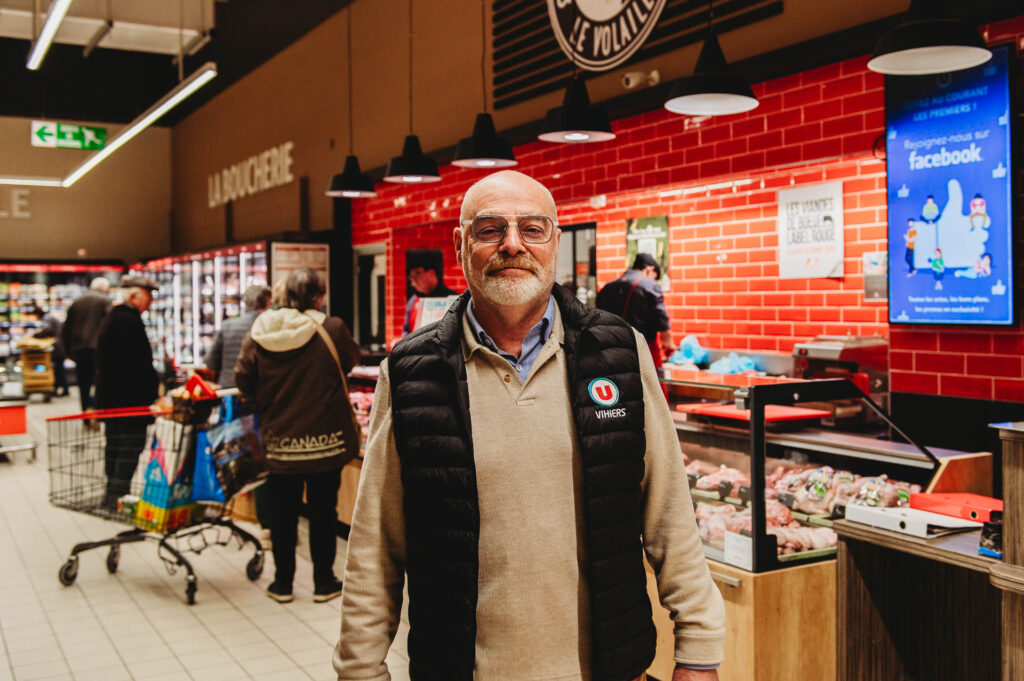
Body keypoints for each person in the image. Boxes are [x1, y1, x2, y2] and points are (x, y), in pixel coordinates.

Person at [334, 171, 724, 681]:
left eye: (532, 229)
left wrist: (698, 650)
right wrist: (360, 670)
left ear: (555, 242)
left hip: (608, 670)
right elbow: (375, 546)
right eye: (490, 228)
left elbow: (669, 512)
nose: (513, 244)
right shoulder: (411, 371)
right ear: (459, 244)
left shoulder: (620, 352)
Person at [235, 267, 360, 604]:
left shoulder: (260, 330)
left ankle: (283, 583)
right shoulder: (331, 328)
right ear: (319, 296)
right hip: (325, 439)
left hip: (278, 442)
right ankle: (323, 582)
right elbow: (350, 361)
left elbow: (243, 379)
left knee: (282, 514)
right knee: (323, 512)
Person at [95, 277, 160, 507]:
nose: (150, 303)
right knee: (129, 446)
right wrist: (153, 392)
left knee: (114, 444)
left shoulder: (113, 318)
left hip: (112, 399)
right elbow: (138, 365)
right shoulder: (128, 322)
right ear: (133, 297)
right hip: (129, 400)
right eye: (148, 298)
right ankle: (117, 495)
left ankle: (112, 494)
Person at [596, 252, 678, 379]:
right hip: (643, 351)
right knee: (650, 390)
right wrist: (668, 343)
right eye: (654, 277)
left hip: (612, 353)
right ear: (649, 269)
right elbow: (661, 318)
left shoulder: (607, 288)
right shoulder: (649, 285)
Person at [204, 285, 272, 388]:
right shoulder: (270, 326)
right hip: (259, 390)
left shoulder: (227, 325)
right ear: (267, 302)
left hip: (229, 390)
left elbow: (211, 363)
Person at [61, 277, 112, 410]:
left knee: (83, 383)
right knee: (101, 381)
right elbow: (110, 326)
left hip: (79, 349)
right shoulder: (105, 301)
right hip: (99, 349)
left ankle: (85, 413)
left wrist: (67, 351)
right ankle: (97, 410)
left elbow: (66, 328)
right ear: (104, 288)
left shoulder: (77, 302)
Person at [401, 261, 457, 335]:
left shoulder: (451, 297)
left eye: (417, 273)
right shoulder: (413, 300)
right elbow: (406, 330)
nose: (413, 280)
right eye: (411, 277)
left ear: (431, 273)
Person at [31, 306, 68, 397]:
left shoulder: (47, 318)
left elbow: (47, 330)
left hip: (57, 348)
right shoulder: (49, 317)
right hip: (60, 347)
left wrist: (35, 335)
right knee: (60, 369)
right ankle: (63, 389)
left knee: (58, 369)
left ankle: (59, 389)